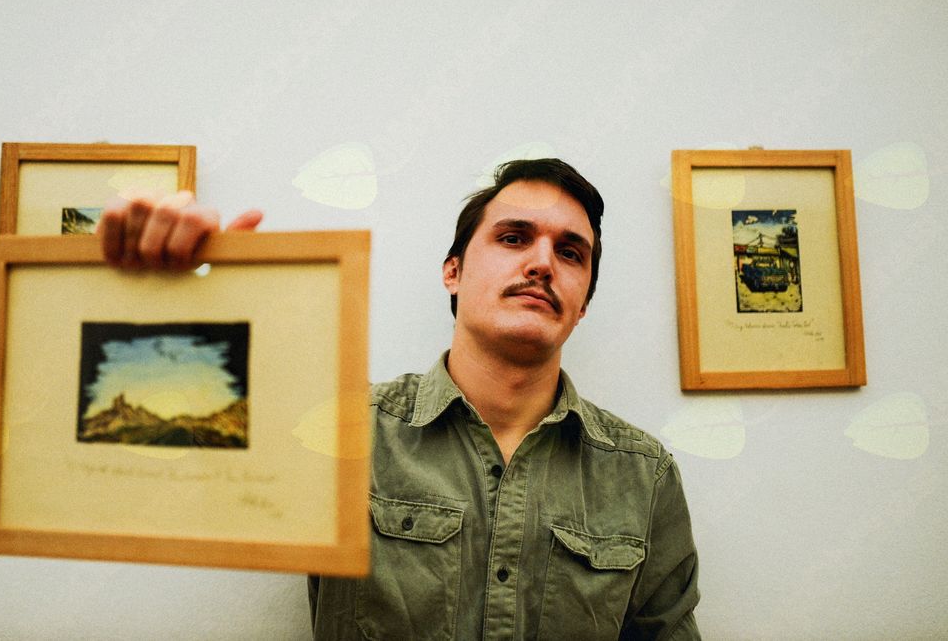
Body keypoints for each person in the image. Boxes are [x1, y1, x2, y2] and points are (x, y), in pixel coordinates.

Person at [99, 158, 701, 639]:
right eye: (514, 237)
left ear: (584, 302)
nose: (543, 262)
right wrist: (179, 304)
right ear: (453, 272)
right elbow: (171, 469)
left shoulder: (643, 476)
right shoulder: (338, 432)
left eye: (571, 252)